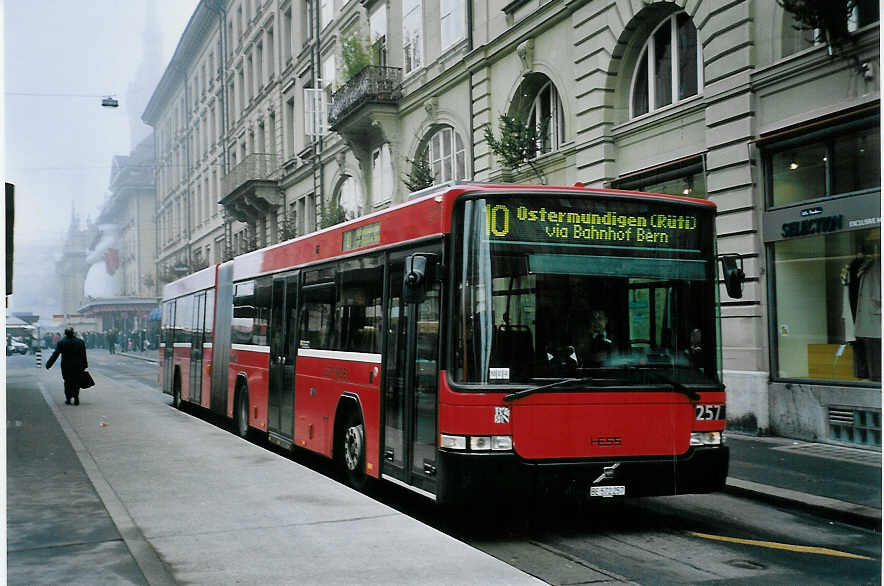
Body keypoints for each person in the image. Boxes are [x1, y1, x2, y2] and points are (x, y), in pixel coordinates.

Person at [45, 327, 89, 406]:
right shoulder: (80, 342)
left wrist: (49, 364)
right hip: (78, 365)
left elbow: (55, 354)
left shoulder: (61, 342)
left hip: (66, 365)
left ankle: (68, 399)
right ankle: (76, 397)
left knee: (67, 382)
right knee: (76, 381)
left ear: (65, 333)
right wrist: (85, 365)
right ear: (73, 333)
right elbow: (83, 355)